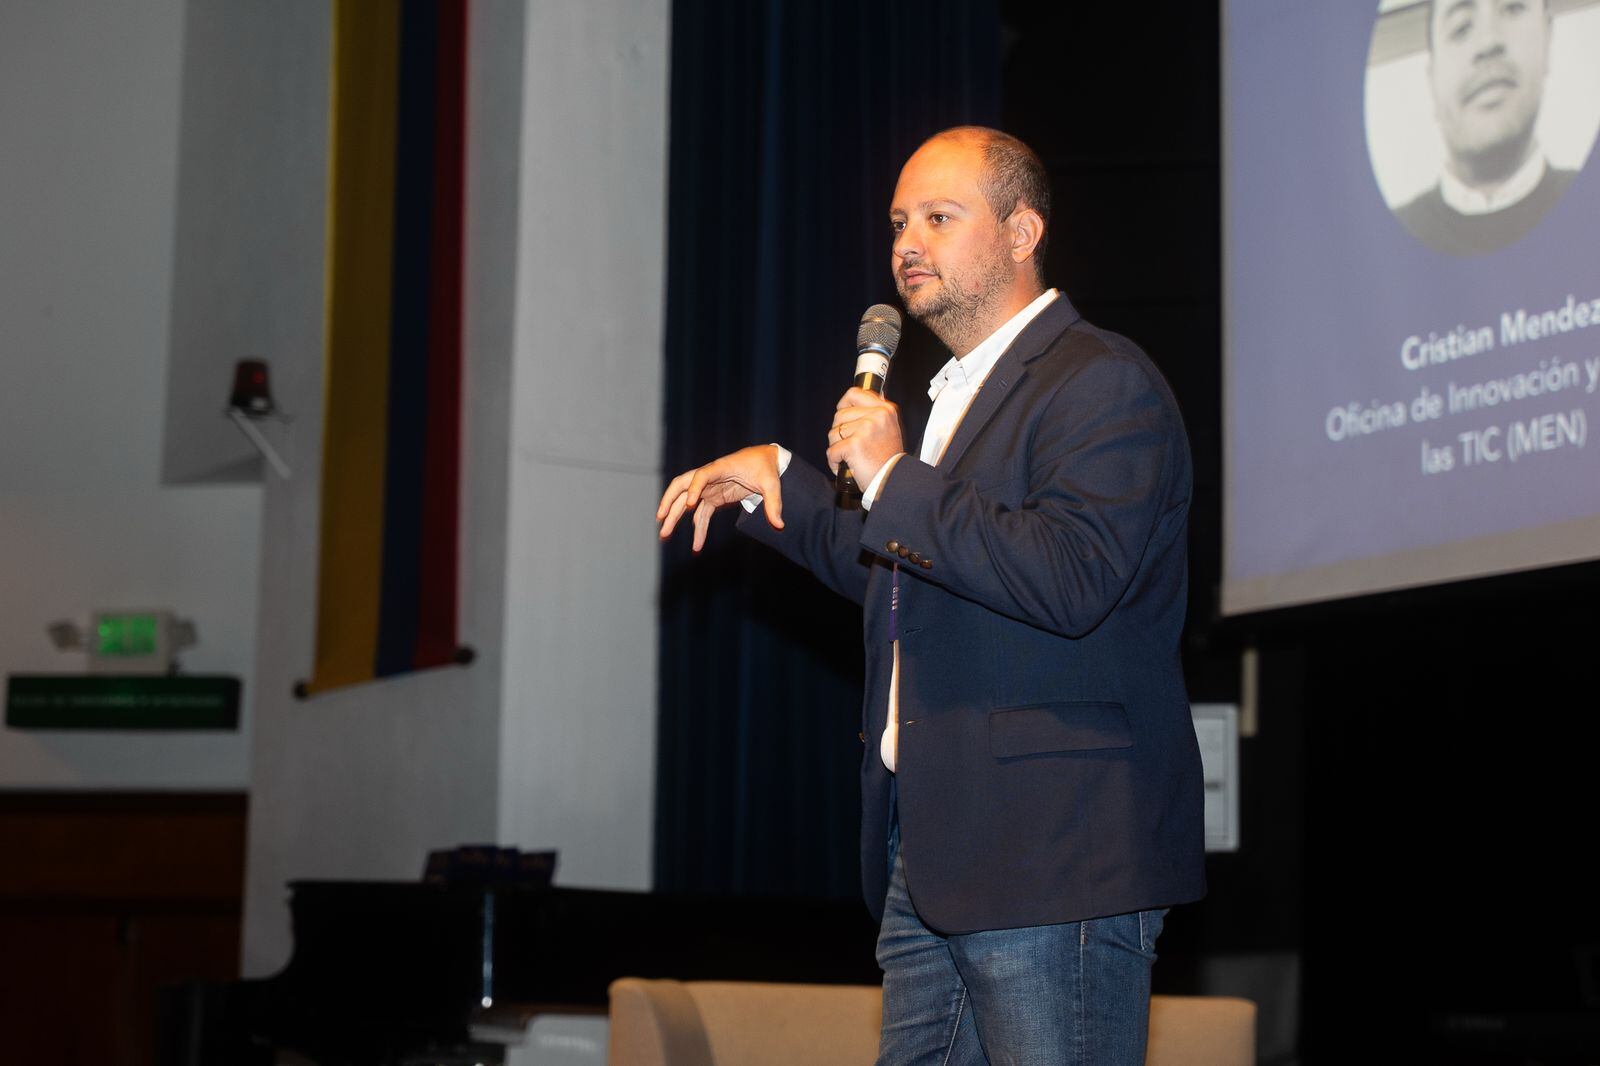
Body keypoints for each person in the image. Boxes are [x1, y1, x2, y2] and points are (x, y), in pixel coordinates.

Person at [656, 127, 1205, 1064]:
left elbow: (1071, 577)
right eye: (899, 221)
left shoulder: (1100, 382)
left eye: (939, 219)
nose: (908, 242)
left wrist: (893, 477)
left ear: (1022, 231)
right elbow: (909, 575)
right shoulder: (954, 398)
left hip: (1051, 854)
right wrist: (775, 482)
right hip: (935, 849)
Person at [1396, 0, 1576, 255]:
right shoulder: (1379, 249)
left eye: (1512, 9)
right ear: (1432, 80)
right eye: (1461, 28)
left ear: (1547, 38)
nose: (1488, 42)